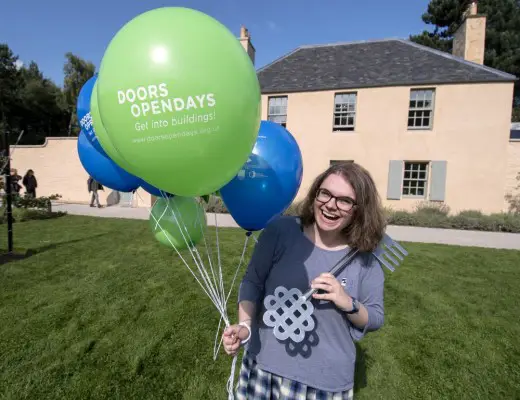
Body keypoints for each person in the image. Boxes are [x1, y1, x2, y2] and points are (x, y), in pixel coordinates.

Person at [222, 162, 387, 399]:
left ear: (359, 209)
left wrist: (348, 302)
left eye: (344, 200)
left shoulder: (365, 259)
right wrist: (245, 327)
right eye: (325, 193)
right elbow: (252, 282)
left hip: (322, 383)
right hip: (262, 366)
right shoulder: (281, 231)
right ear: (315, 194)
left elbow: (375, 318)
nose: (331, 205)